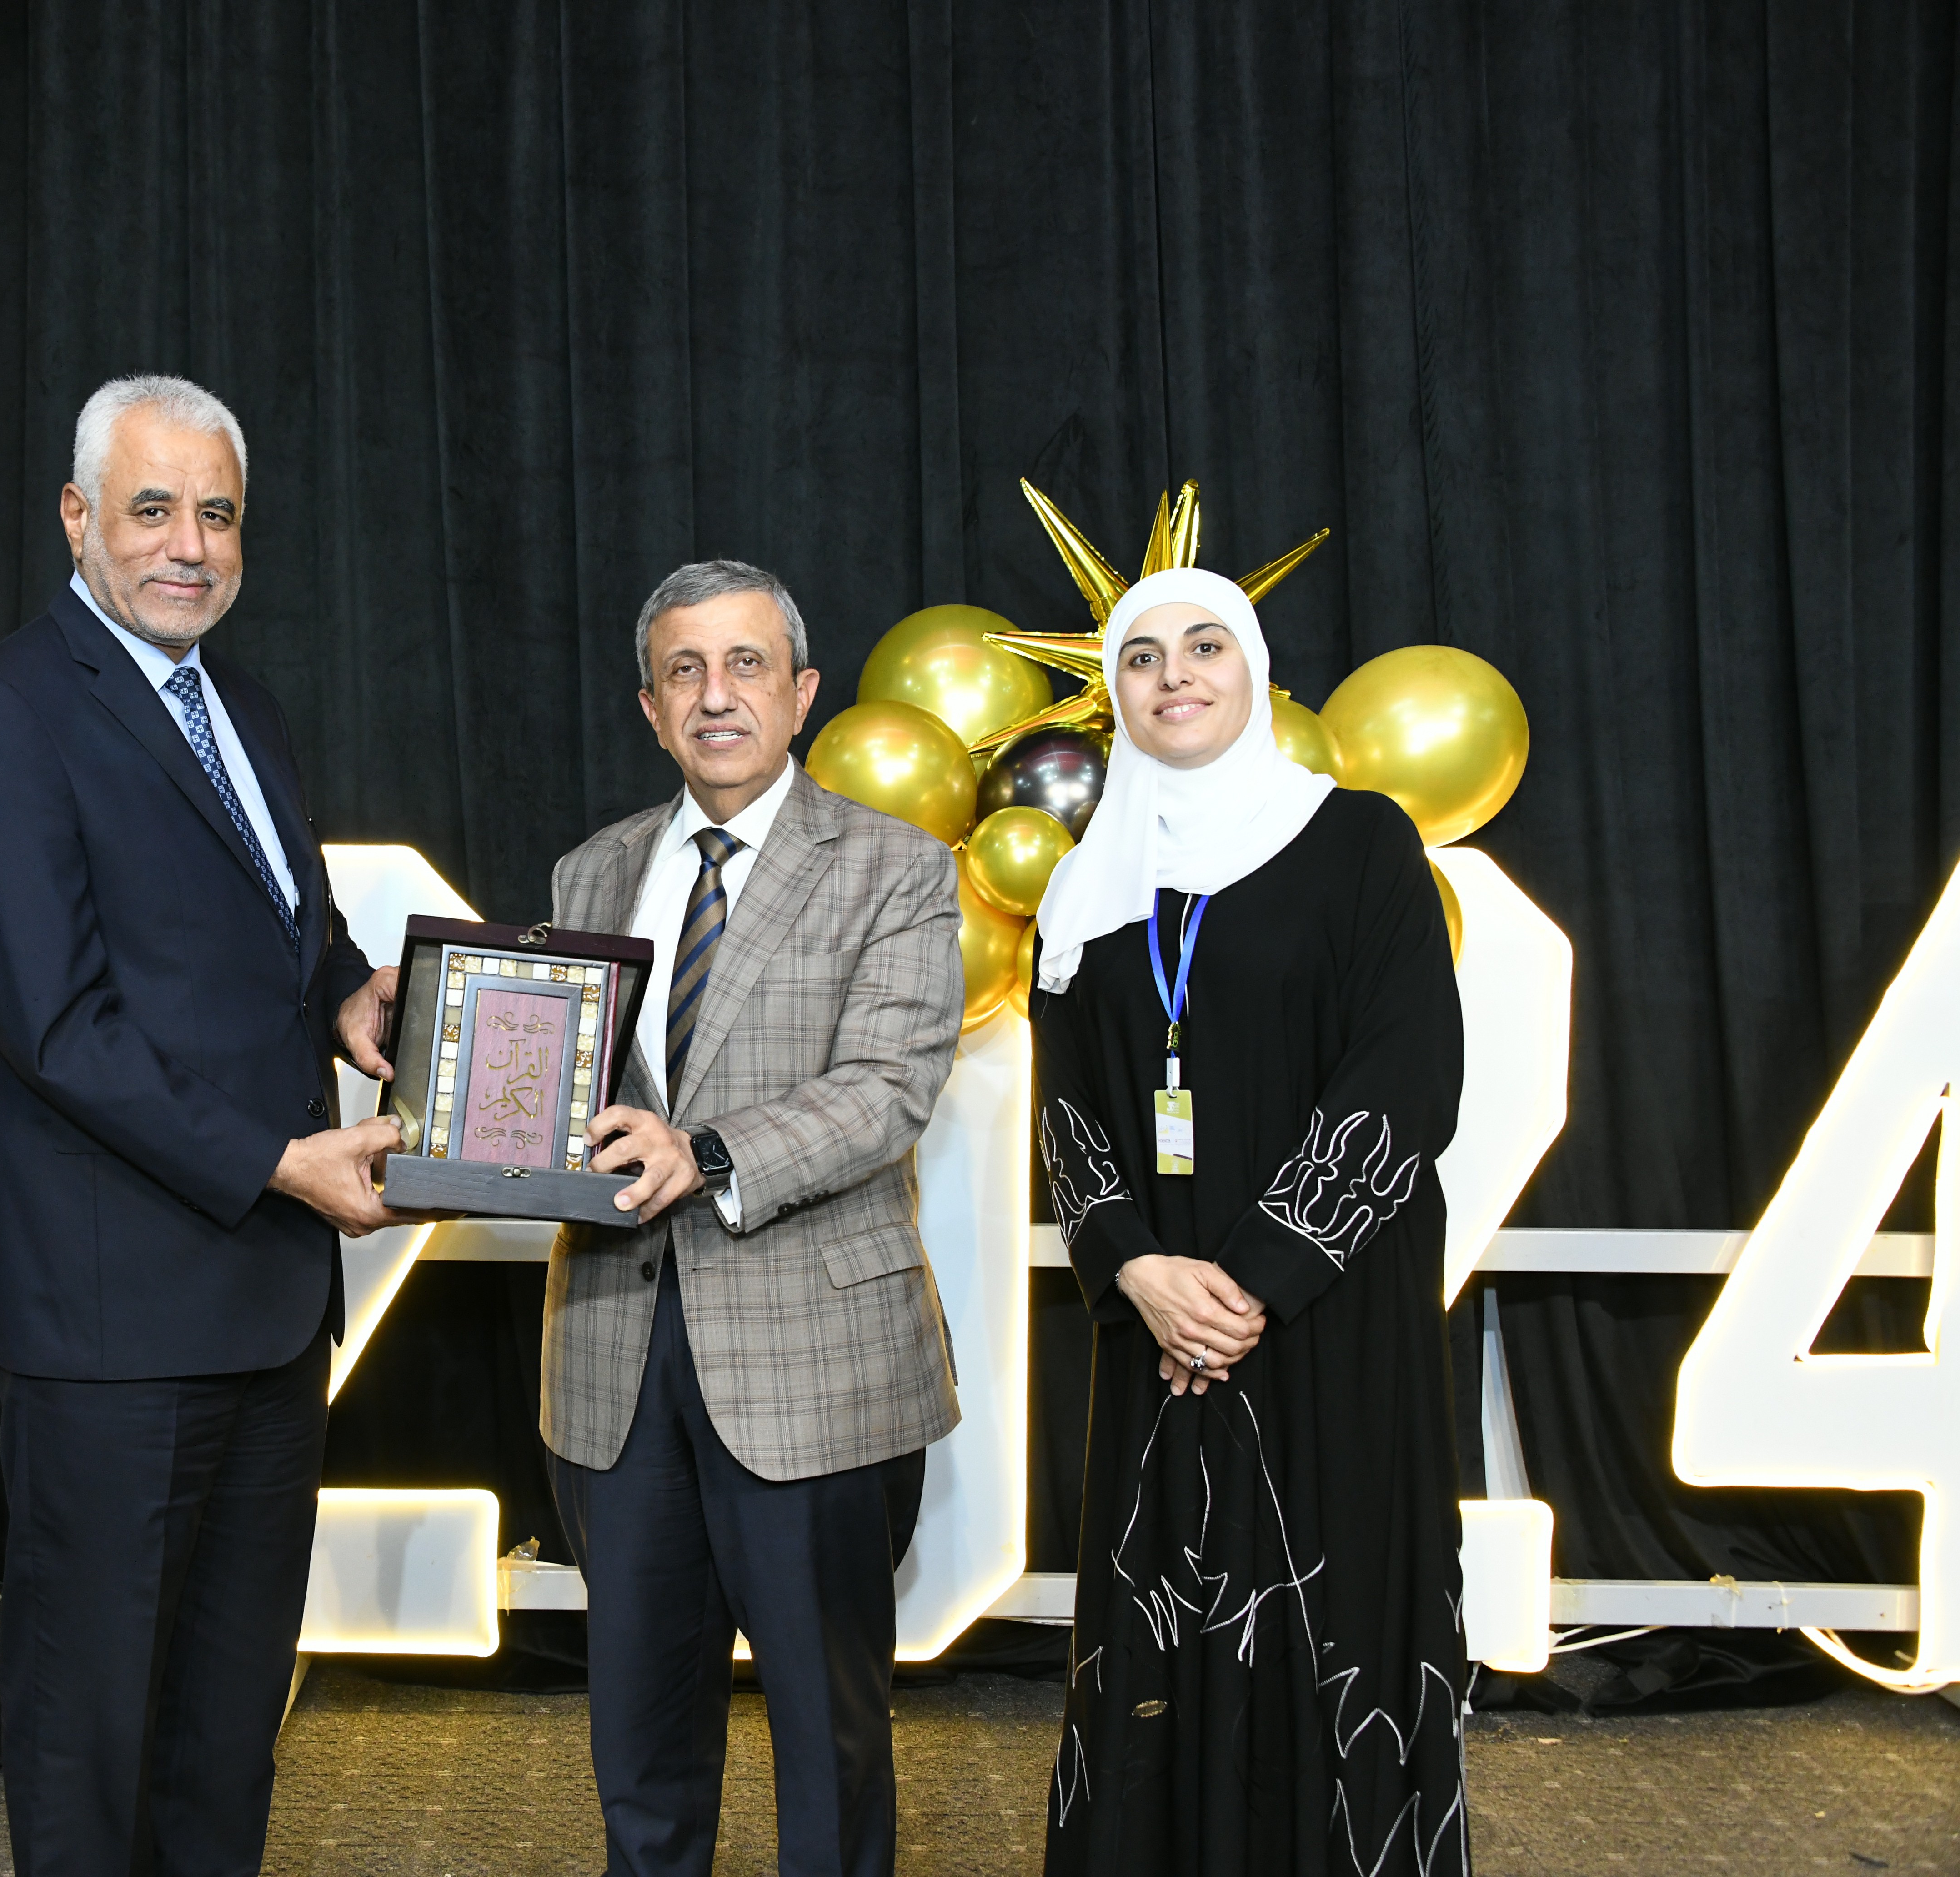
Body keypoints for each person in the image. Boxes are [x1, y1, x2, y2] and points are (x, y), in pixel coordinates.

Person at [0, 374, 407, 1876]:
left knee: (228, 1714)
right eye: (151, 509)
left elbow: (276, 930)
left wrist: (349, 994)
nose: (189, 545)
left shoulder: (238, 703)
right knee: (92, 1723)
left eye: (217, 514)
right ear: (78, 518)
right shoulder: (3, 711)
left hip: (266, 1304)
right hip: (111, 1317)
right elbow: (55, 1022)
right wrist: (278, 1162)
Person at [1028, 566, 1468, 1874]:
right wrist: (1139, 1272)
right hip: (1160, 1329)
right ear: (1116, 695)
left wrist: (1254, 1281)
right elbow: (1069, 1112)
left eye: (1205, 646)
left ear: (1256, 671)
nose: (1175, 675)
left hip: (1330, 1320)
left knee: (1339, 1626)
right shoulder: (1088, 887)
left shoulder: (1360, 841)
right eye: (1144, 656)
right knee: (1164, 1625)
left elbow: (1408, 1070)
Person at [543, 558, 964, 1877]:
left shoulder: (895, 866)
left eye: (745, 666)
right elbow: (559, 1089)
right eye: (684, 671)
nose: (714, 695)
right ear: (650, 708)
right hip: (614, 1356)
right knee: (640, 1742)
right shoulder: (591, 872)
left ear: (802, 693)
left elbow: (889, 1087)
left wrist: (707, 1152)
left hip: (814, 1364)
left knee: (827, 1744)